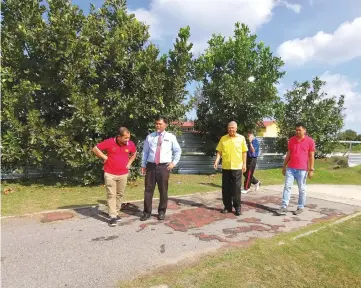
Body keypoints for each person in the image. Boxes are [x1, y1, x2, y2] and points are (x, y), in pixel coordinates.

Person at [92, 127, 137, 227]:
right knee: (111, 194)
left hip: (123, 174)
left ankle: (115, 213)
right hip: (110, 173)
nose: (127, 140)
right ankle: (112, 216)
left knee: (120, 194)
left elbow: (134, 153)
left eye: (128, 138)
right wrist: (105, 157)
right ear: (119, 137)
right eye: (125, 138)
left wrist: (129, 163)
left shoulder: (130, 144)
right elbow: (95, 149)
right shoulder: (109, 142)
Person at [140, 116, 182, 221]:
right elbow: (145, 152)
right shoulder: (150, 137)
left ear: (165, 125)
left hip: (164, 167)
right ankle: (146, 212)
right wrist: (143, 165)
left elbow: (178, 151)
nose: (158, 126)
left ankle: (162, 212)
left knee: (163, 190)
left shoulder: (171, 137)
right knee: (148, 190)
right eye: (156, 124)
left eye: (160, 124)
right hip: (151, 166)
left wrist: (174, 163)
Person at [276, 122, 315, 216]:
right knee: (287, 187)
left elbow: (311, 156)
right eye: (296, 130)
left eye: (299, 130)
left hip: (302, 170)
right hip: (291, 169)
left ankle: (300, 207)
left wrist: (311, 170)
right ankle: (284, 207)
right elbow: (289, 154)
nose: (297, 132)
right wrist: (284, 165)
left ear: (304, 130)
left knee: (302, 189)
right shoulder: (292, 140)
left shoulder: (310, 141)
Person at [214, 121, 248, 216]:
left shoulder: (241, 138)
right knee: (226, 188)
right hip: (226, 167)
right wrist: (216, 161)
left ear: (236, 129)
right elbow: (219, 151)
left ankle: (237, 207)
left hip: (237, 167)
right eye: (229, 128)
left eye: (233, 128)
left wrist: (244, 164)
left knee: (236, 189)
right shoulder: (223, 139)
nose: (231, 129)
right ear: (227, 129)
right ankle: (227, 207)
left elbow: (244, 152)